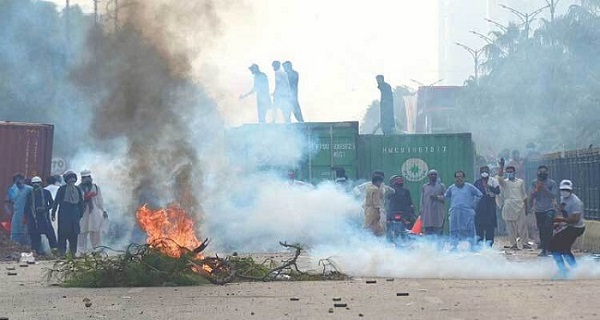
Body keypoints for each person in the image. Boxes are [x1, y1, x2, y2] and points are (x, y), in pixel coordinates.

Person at [549, 180, 585, 279]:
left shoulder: (576, 202)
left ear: (571, 190)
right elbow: (565, 213)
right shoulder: (563, 199)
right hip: (570, 227)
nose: (564, 191)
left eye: (566, 190)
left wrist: (559, 220)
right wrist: (559, 223)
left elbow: (575, 220)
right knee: (559, 247)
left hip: (576, 228)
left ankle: (565, 270)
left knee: (557, 246)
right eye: (563, 189)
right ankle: (572, 269)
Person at [445, 171, 482, 250]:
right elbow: (445, 196)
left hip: (467, 212)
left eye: (461, 176)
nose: (459, 178)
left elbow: (480, 194)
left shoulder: (469, 187)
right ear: (455, 178)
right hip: (454, 212)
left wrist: (473, 203)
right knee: (453, 229)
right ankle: (454, 246)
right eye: (457, 177)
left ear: (464, 178)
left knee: (470, 229)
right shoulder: (451, 188)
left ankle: (472, 247)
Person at [497, 160, 530, 250]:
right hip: (509, 205)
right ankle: (513, 244)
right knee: (510, 226)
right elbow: (499, 177)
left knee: (523, 225)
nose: (509, 173)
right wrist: (501, 166)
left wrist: (527, 207)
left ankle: (525, 243)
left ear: (514, 172)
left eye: (511, 172)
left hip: (520, 205)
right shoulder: (505, 182)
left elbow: (524, 195)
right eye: (507, 172)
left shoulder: (520, 182)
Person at [52, 171, 84, 256]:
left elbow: (81, 203)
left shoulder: (78, 189)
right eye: (70, 179)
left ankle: (73, 253)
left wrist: (81, 214)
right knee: (62, 234)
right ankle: (62, 253)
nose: (72, 180)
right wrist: (53, 213)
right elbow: (56, 201)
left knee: (74, 234)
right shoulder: (62, 189)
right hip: (64, 213)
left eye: (73, 179)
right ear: (66, 180)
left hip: (75, 214)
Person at [529, 165, 558, 256]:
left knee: (548, 228)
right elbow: (532, 195)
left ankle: (547, 248)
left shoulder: (552, 183)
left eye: (543, 172)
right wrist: (537, 189)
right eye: (540, 173)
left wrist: (544, 188)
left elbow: (553, 195)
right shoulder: (534, 183)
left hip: (549, 208)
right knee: (541, 229)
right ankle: (544, 247)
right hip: (539, 209)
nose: (542, 175)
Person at [24, 176, 57, 255]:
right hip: (34, 219)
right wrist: (27, 218)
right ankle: (36, 253)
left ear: (41, 183)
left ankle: (55, 252)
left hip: (44, 218)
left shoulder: (46, 193)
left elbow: (52, 204)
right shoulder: (29, 194)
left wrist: (45, 209)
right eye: (34, 183)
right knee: (35, 237)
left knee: (50, 235)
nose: (36, 185)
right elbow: (27, 207)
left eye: (38, 183)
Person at [78, 170, 108, 254]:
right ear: (82, 179)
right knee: (82, 231)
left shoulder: (95, 187)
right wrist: (86, 197)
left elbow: (100, 200)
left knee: (96, 230)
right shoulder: (78, 188)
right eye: (85, 178)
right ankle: (81, 251)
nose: (87, 179)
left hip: (94, 212)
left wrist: (104, 210)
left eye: (88, 177)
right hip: (83, 212)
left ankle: (97, 248)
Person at [473, 166, 500, 248]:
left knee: (490, 228)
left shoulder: (494, 181)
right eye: (483, 171)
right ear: (480, 173)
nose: (484, 172)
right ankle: (479, 247)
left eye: (486, 171)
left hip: (490, 206)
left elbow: (498, 191)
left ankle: (489, 247)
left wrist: (489, 187)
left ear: (489, 172)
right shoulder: (477, 182)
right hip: (480, 207)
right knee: (479, 228)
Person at [385, 175, 415, 243]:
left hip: (401, 214)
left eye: (400, 180)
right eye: (398, 180)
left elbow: (410, 203)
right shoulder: (392, 191)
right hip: (396, 214)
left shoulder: (394, 191)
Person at [7, 173, 33, 246]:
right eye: (17, 180)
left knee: (26, 232)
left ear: (23, 180)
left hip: (26, 214)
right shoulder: (12, 190)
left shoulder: (29, 189)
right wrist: (10, 212)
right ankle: (15, 248)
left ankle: (28, 249)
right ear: (14, 181)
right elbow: (8, 202)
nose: (19, 182)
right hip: (16, 214)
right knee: (15, 233)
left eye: (20, 179)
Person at [420, 169, 446, 236]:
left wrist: (437, 197)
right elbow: (422, 200)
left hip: (438, 214)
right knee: (428, 234)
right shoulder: (425, 186)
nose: (433, 176)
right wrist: (421, 211)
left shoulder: (441, 186)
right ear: (428, 176)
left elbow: (446, 197)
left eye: (435, 174)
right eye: (431, 174)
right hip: (427, 214)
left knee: (438, 234)